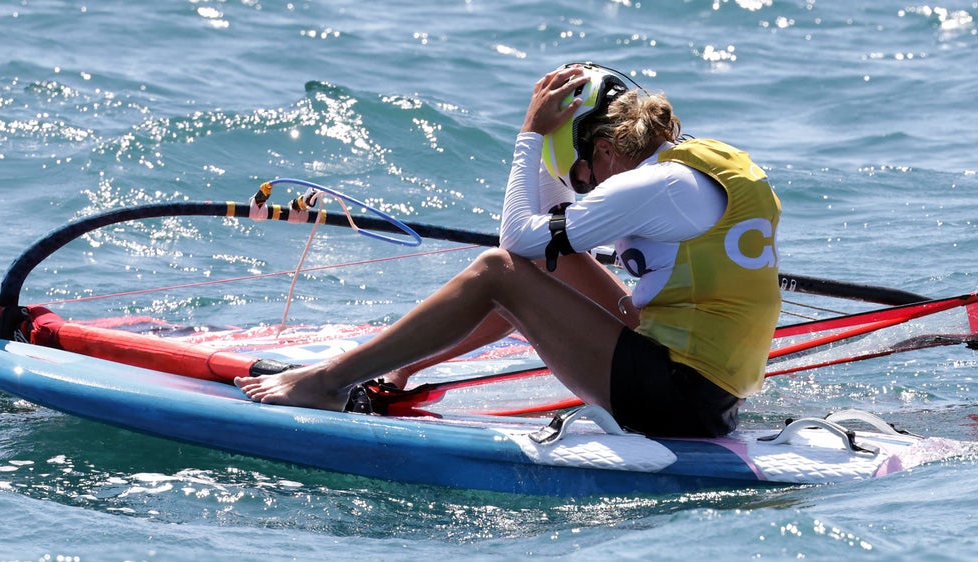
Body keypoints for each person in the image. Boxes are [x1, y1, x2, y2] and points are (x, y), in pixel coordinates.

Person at [236, 62, 781, 437]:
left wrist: (528, 133)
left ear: (609, 149)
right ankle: (397, 371)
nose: (585, 190)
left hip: (674, 398)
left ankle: (328, 380)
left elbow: (514, 241)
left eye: (583, 177)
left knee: (498, 271)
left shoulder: (649, 186)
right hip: (709, 395)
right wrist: (557, 145)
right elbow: (542, 250)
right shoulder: (694, 166)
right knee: (541, 267)